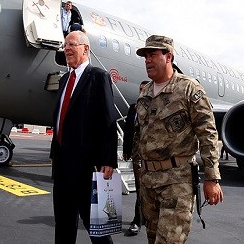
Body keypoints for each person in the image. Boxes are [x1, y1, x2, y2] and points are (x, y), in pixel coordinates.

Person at [134, 35, 224, 244]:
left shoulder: (189, 89)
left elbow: (208, 134)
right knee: (152, 239)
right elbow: (140, 135)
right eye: (145, 56)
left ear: (169, 57)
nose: (147, 60)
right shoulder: (144, 93)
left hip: (177, 182)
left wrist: (212, 178)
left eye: (153, 54)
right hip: (148, 183)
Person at [50, 30, 118, 244]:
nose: (66, 49)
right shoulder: (63, 81)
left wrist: (108, 159)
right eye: (65, 45)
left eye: (71, 44)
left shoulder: (98, 77)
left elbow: (108, 119)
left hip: (86, 167)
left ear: (86, 49)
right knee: (63, 226)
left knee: (97, 229)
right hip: (61, 165)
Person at [122, 80, 149, 237]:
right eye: (140, 89)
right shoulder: (133, 108)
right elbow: (128, 130)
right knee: (140, 188)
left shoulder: (157, 108)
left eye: (144, 89)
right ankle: (138, 220)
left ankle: (141, 218)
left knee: (148, 189)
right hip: (137, 156)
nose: (141, 92)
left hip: (153, 158)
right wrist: (126, 150)